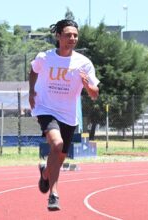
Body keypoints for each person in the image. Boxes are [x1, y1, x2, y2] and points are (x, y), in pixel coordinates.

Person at [29, 19, 99, 211]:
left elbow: (94, 94)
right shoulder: (45, 57)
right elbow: (33, 71)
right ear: (58, 36)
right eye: (68, 35)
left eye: (75, 35)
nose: (72, 38)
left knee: (59, 158)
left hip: (68, 115)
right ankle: (54, 195)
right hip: (46, 109)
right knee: (57, 144)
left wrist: (87, 86)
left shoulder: (83, 63)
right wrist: (31, 91)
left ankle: (45, 173)